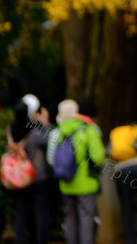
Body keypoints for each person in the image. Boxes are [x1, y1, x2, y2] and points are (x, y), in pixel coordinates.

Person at [47, 99, 105, 244]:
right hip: (86, 184)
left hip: (65, 183)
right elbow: (98, 158)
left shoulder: (57, 132)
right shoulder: (88, 129)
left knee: (70, 217)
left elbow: (51, 159)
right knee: (86, 218)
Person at [9, 94, 52, 244]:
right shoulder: (33, 132)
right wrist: (45, 123)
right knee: (41, 212)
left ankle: (21, 240)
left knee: (21, 211)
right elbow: (49, 140)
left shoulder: (11, 129)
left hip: (19, 176)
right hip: (37, 176)